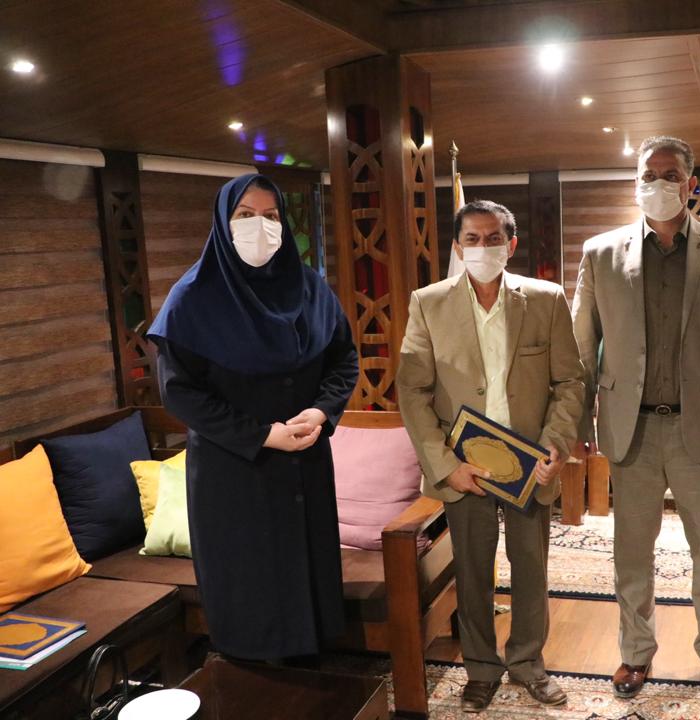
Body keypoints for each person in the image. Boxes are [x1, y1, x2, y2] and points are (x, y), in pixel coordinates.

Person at [571, 136, 700, 705]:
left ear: (690, 183)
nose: (658, 183)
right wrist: (576, 424)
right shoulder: (600, 253)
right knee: (632, 552)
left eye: (670, 174)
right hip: (630, 428)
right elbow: (582, 348)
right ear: (636, 183)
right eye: (648, 175)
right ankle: (635, 652)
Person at [148, 174, 359, 662]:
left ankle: (314, 672)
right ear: (223, 223)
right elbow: (180, 392)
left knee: (307, 569)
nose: (259, 226)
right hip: (235, 467)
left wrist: (321, 410)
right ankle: (252, 679)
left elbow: (343, 359)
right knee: (249, 579)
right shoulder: (192, 297)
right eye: (245, 215)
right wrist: (262, 435)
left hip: (305, 454)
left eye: (270, 216)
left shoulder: (309, 287)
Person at [397, 200, 585, 713]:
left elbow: (570, 381)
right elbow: (412, 390)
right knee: (473, 571)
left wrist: (556, 443)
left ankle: (528, 663)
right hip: (465, 468)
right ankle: (480, 668)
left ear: (511, 244)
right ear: (457, 248)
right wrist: (445, 465)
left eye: (493, 238)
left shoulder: (545, 299)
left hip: (530, 466)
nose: (483, 247)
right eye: (473, 239)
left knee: (531, 570)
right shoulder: (428, 304)